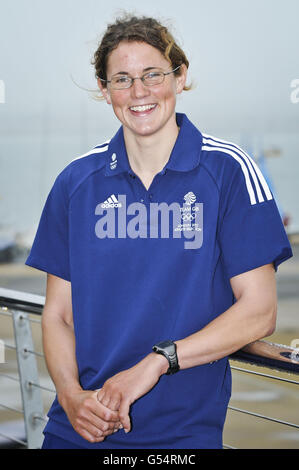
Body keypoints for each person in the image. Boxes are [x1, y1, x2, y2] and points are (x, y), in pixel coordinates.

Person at [25, 13, 293, 449]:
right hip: (77, 430)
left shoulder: (229, 171)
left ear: (180, 76)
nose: (139, 92)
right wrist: (72, 398)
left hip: (181, 438)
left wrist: (157, 361)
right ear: (104, 88)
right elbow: (58, 315)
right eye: (122, 79)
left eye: (153, 75)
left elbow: (259, 312)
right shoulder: (75, 182)